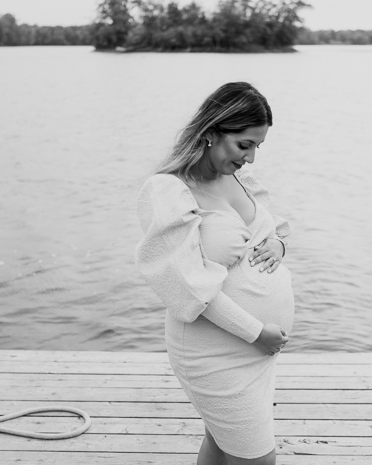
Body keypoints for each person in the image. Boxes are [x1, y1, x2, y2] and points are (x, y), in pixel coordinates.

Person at [134, 82, 295, 465]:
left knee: (221, 448)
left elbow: (272, 229)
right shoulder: (169, 192)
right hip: (214, 351)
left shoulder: (239, 179)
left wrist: (279, 245)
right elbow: (185, 287)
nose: (252, 158)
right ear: (210, 133)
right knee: (257, 459)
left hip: (256, 352)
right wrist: (257, 332)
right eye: (244, 145)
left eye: (258, 146)